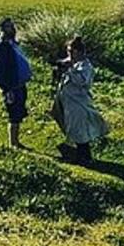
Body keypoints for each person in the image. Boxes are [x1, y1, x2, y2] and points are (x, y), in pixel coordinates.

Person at [52, 36, 109, 164]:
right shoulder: (71, 62)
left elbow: (82, 82)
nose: (69, 54)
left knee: (80, 132)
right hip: (68, 103)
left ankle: (85, 158)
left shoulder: (86, 67)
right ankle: (80, 156)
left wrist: (70, 70)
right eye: (68, 51)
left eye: (71, 51)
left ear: (79, 52)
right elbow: (61, 66)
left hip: (79, 103)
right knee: (74, 129)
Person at [0, 18, 33, 149]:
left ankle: (16, 142)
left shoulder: (10, 43)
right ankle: (13, 144)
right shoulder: (1, 46)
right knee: (14, 115)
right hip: (12, 87)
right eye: (8, 27)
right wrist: (7, 90)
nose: (11, 29)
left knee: (18, 113)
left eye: (12, 26)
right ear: (1, 29)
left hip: (18, 84)